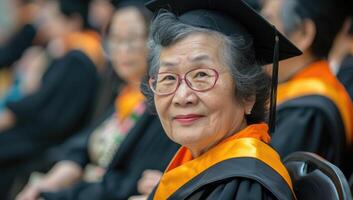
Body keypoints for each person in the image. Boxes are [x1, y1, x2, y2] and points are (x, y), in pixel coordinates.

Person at [131, 0, 302, 199]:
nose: (182, 97)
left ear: (247, 95)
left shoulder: (245, 187)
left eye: (202, 75)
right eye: (168, 78)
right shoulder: (193, 160)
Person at [16, 3, 179, 200]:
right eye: (116, 39)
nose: (123, 49)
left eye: (133, 39)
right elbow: (83, 143)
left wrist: (56, 195)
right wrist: (54, 181)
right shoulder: (118, 94)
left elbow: (129, 182)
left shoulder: (162, 106)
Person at [0, 0, 103, 198]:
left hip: (47, 141)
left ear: (73, 21)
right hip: (43, 133)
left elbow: (45, 109)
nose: (47, 24)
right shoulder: (66, 52)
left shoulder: (78, 58)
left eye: (53, 18)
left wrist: (26, 92)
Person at [261, 0, 353, 176]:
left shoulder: (308, 111)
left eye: (268, 20)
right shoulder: (295, 92)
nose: (257, 32)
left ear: (304, 33)